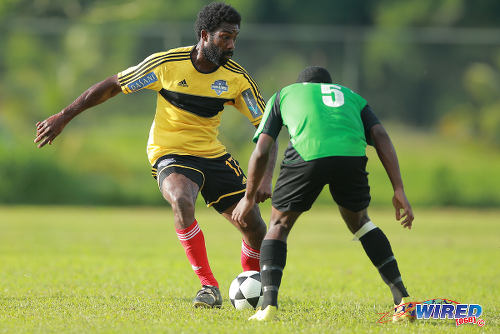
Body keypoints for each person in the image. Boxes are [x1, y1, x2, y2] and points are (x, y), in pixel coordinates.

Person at [34, 2, 277, 309]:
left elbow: (266, 128)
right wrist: (64, 116)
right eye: (224, 37)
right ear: (205, 35)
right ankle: (208, 287)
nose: (231, 45)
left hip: (213, 155)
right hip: (170, 151)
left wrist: (267, 176)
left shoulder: (236, 79)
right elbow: (111, 86)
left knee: (254, 225)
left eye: (234, 38)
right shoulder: (166, 65)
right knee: (181, 198)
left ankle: (251, 283)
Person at [232, 66, 414, 321]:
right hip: (351, 156)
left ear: (301, 84)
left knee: (279, 224)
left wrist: (249, 197)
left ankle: (268, 308)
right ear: (330, 84)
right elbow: (380, 134)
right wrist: (399, 189)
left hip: (308, 154)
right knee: (361, 222)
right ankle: (403, 301)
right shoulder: (351, 96)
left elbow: (262, 149)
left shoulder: (285, 94)